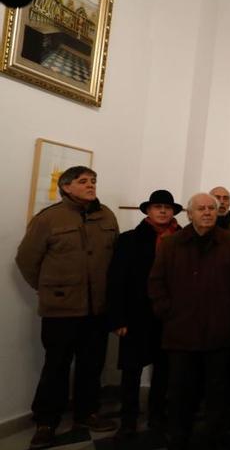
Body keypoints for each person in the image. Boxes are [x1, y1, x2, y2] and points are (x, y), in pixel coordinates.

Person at [16, 166, 119, 449]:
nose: (91, 185)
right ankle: (46, 422)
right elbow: (26, 260)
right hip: (61, 311)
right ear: (66, 187)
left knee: (92, 365)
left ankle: (87, 413)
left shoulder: (106, 215)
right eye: (83, 181)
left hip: (97, 309)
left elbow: (114, 259)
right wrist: (50, 289)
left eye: (93, 181)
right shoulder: (48, 219)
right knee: (56, 367)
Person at [148, 192, 230, 450]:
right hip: (180, 332)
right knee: (181, 391)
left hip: (219, 331)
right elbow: (156, 282)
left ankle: (213, 438)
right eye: (201, 208)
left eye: (211, 209)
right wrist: (166, 311)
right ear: (189, 214)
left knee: (218, 391)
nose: (207, 212)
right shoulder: (171, 243)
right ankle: (178, 437)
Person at [106, 189, 182, 438]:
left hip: (169, 316)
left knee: (164, 370)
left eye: (167, 207)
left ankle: (157, 415)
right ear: (148, 210)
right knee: (131, 370)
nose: (162, 211)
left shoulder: (182, 239)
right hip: (136, 315)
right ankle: (128, 417)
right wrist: (117, 318)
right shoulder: (129, 240)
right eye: (157, 207)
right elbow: (116, 280)